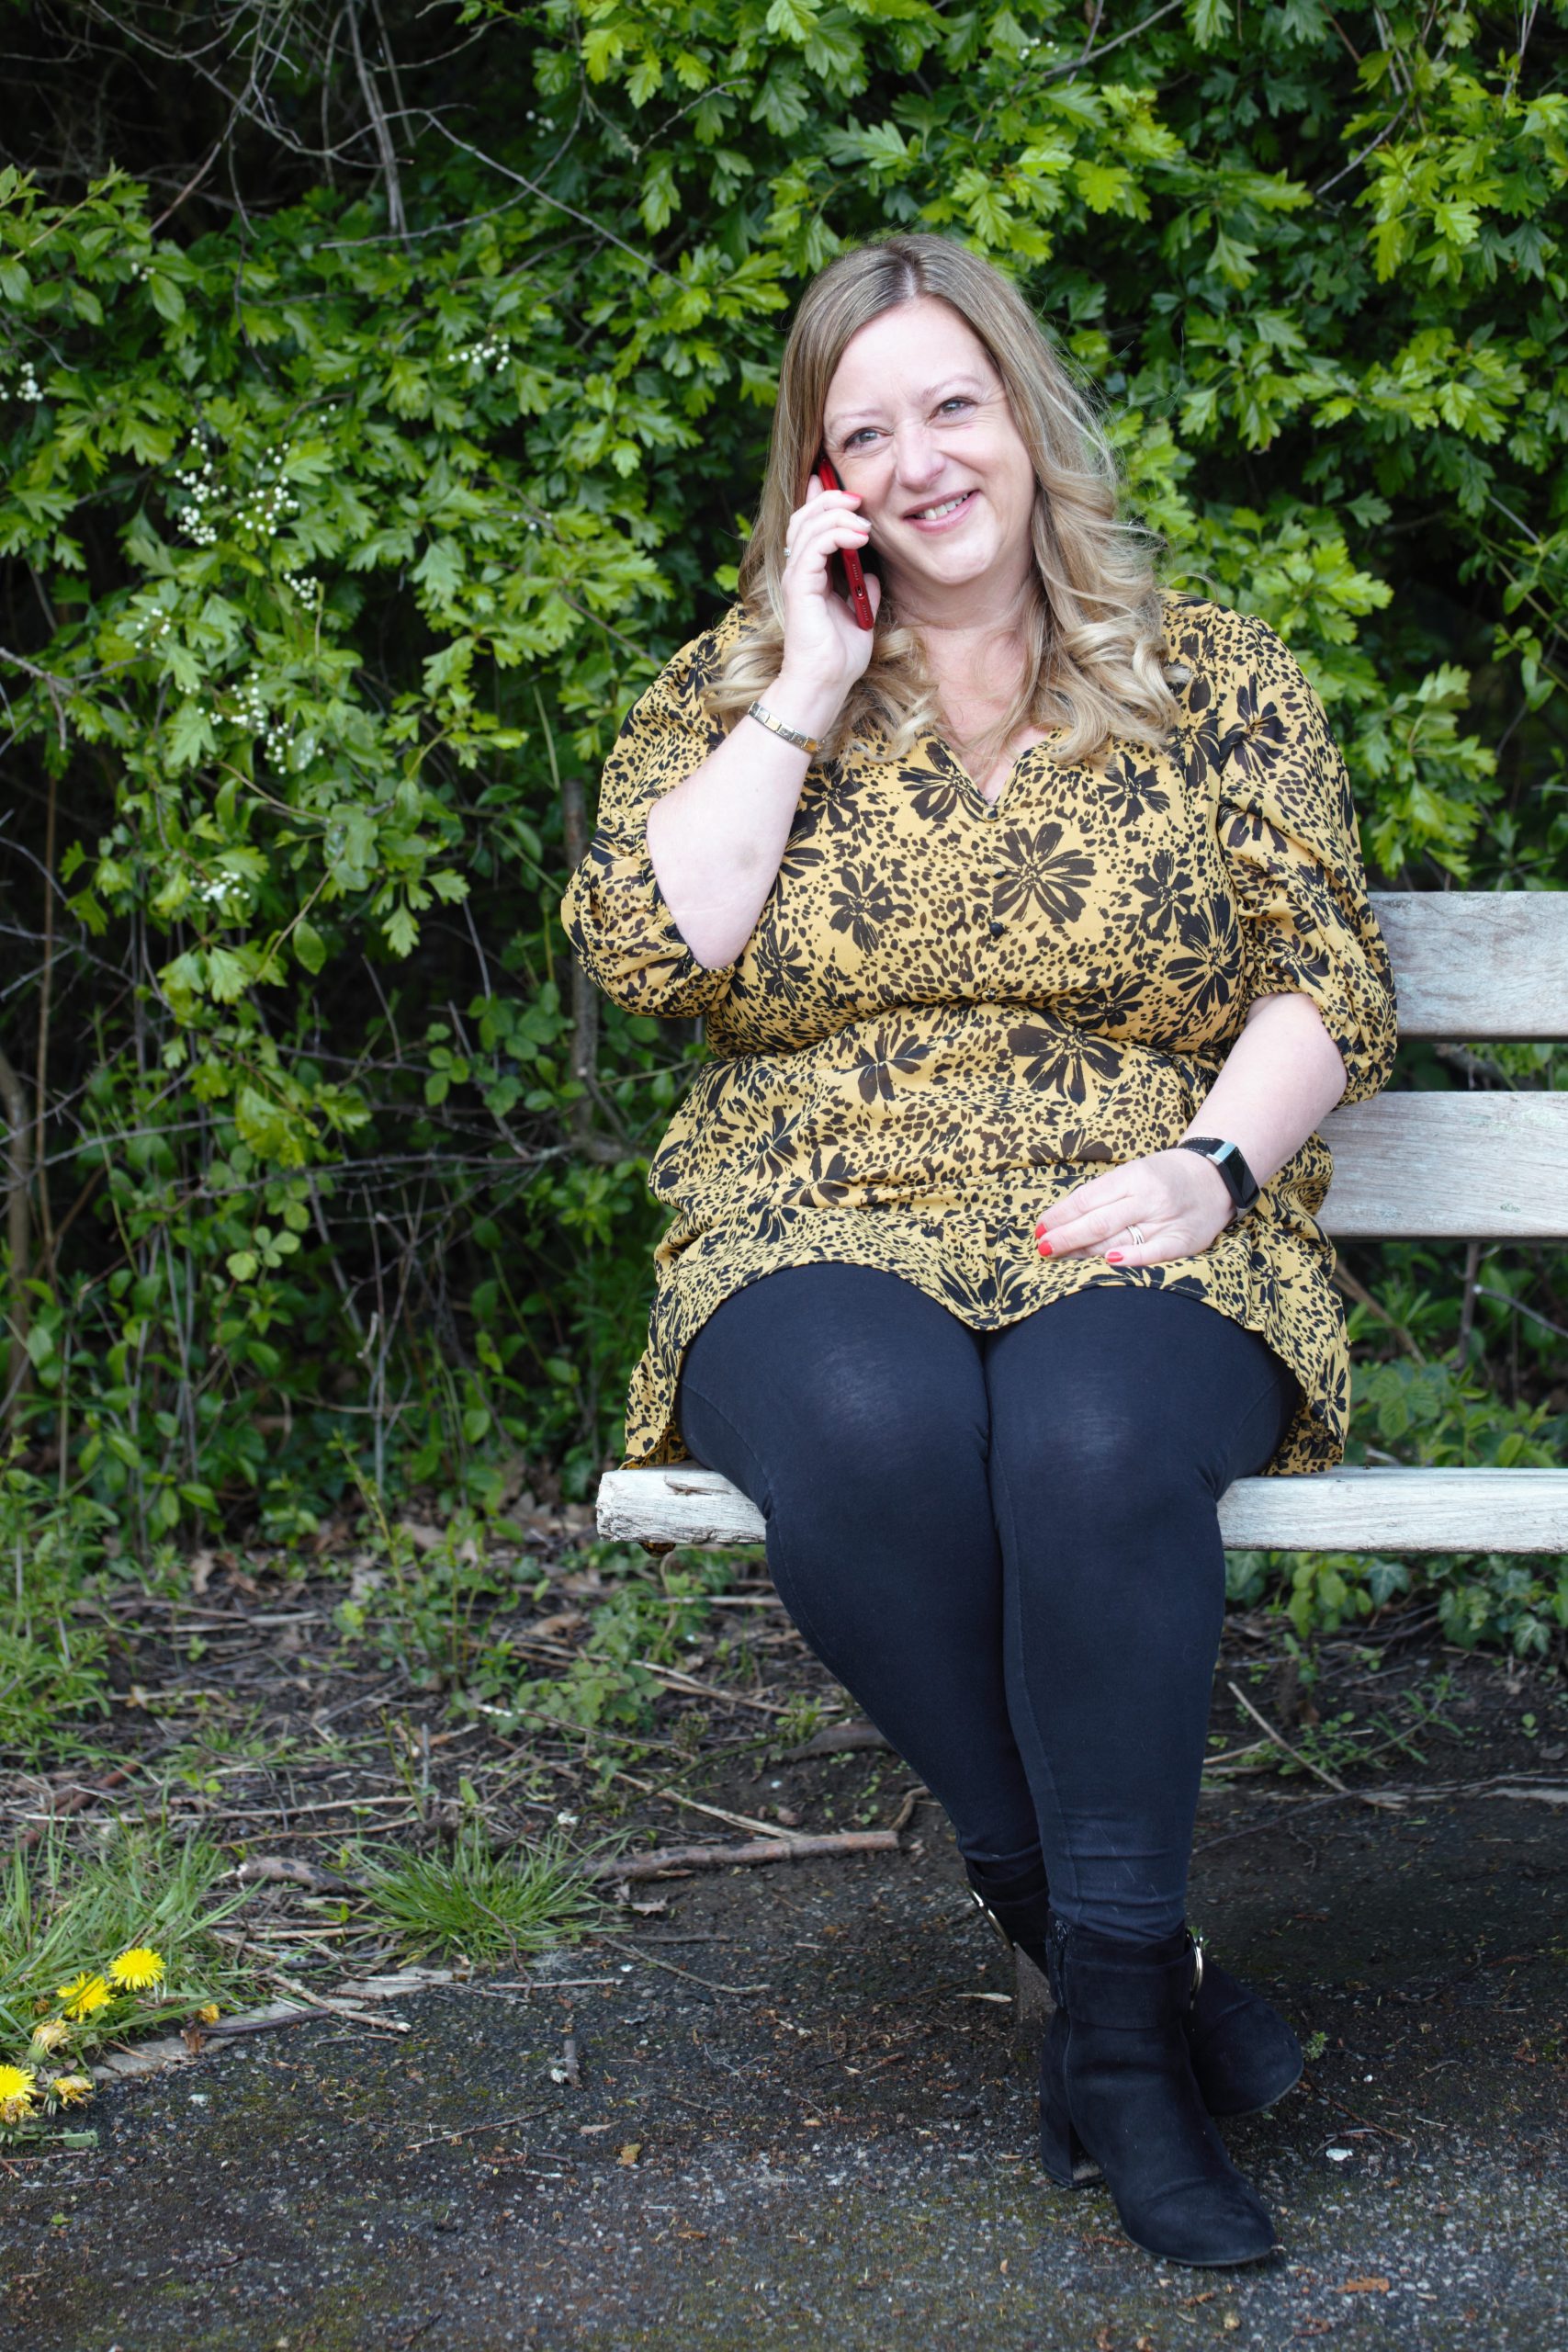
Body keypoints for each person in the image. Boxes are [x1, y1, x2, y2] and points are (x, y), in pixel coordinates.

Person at [561, 233, 1398, 2267]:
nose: (923, 456)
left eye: (952, 402)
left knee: (1096, 1442)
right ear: (816, 479)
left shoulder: (1213, 678)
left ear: (1021, 414)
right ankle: (1128, 2001)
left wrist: (1210, 1166)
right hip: (810, 1203)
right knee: (865, 1422)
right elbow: (646, 952)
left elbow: (1328, 982)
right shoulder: (737, 685)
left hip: (1126, 1188)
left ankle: (1108, 2036)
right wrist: (807, 683)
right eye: (866, 428)